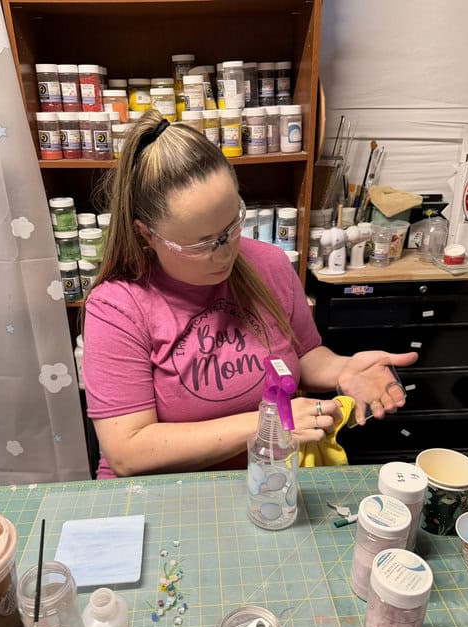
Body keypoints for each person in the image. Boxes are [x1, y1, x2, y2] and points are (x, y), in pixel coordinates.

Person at [82, 109, 417, 479]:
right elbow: (128, 451)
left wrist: (343, 369)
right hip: (161, 492)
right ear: (147, 235)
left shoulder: (269, 264)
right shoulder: (117, 306)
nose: (226, 253)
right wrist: (269, 421)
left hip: (266, 478)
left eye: (232, 226)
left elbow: (303, 355)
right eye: (202, 244)